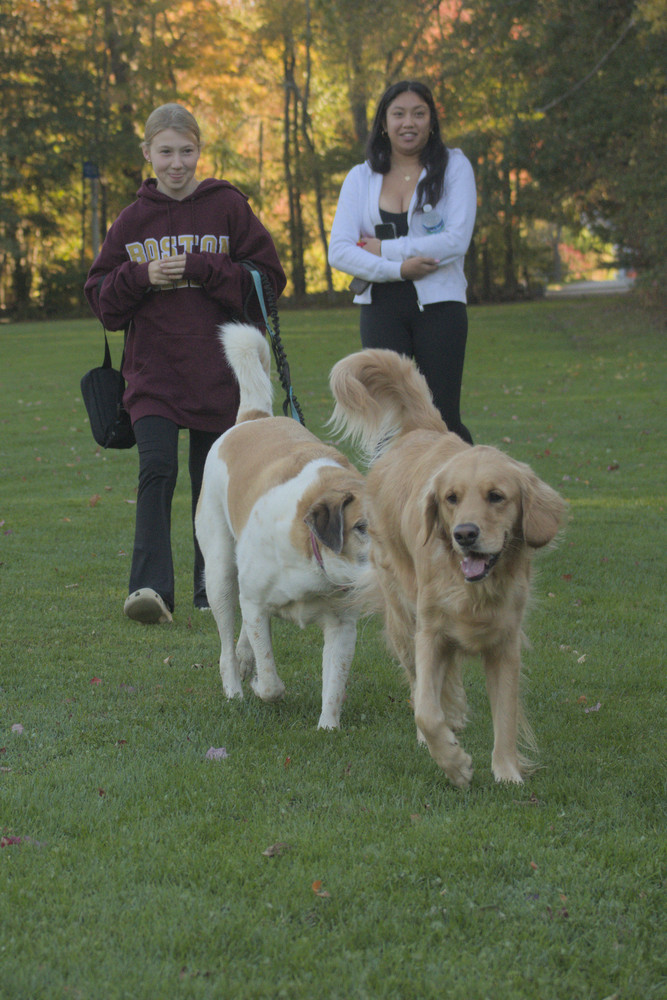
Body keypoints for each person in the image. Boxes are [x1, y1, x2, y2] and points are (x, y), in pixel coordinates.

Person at [84, 103, 286, 624]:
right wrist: (142, 275)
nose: (177, 163)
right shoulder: (132, 220)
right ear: (147, 153)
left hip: (218, 373)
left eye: (187, 151)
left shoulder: (228, 207)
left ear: (199, 151)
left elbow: (267, 283)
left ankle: (210, 587)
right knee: (156, 469)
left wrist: (203, 266)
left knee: (210, 482)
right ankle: (150, 589)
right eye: (166, 152)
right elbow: (103, 301)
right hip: (152, 374)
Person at [328, 80, 477, 442]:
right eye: (398, 114)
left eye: (418, 114)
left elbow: (455, 240)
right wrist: (398, 269)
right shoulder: (360, 177)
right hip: (381, 309)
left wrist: (384, 249)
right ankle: (390, 483)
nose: (408, 123)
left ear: (431, 120)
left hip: (440, 309)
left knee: (441, 419)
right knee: (388, 423)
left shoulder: (454, 167)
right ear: (384, 122)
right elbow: (340, 250)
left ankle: (462, 478)